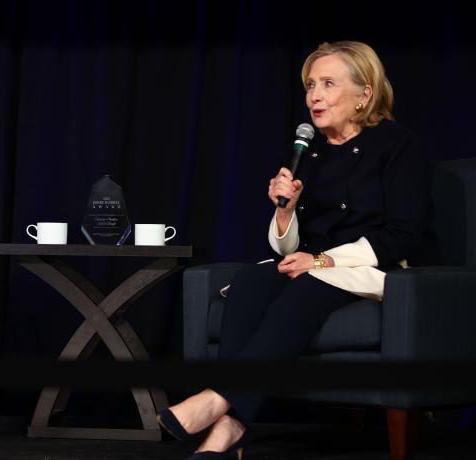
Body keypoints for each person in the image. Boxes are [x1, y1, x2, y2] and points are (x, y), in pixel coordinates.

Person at [158, 41, 431, 459]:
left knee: (309, 283)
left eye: (327, 84)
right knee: (250, 280)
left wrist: (322, 260)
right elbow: (292, 245)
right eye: (309, 85)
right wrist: (285, 212)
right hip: (313, 263)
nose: (314, 96)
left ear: (365, 93)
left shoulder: (396, 145)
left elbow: (404, 234)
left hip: (376, 265)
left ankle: (218, 403)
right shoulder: (310, 151)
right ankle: (229, 428)